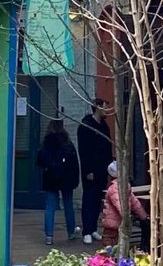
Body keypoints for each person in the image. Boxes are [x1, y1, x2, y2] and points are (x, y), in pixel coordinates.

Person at [35, 118, 81, 246]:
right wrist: (75, 179)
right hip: (66, 179)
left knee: (50, 207)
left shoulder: (46, 143)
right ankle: (71, 232)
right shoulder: (67, 143)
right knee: (68, 205)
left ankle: (49, 236)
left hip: (50, 178)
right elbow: (74, 163)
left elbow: (39, 161)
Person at [76, 101, 114, 244]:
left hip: (102, 169)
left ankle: (93, 229)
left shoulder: (104, 126)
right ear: (97, 108)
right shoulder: (86, 126)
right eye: (104, 106)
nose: (106, 110)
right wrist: (88, 170)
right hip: (91, 170)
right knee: (89, 199)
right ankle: (86, 230)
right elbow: (84, 151)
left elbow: (107, 147)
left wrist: (110, 166)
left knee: (98, 199)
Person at [101, 161, 148, 248]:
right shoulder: (126, 186)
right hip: (123, 222)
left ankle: (109, 253)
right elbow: (135, 203)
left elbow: (119, 203)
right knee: (120, 240)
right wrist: (143, 215)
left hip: (112, 222)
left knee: (108, 239)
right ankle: (117, 253)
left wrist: (125, 214)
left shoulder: (113, 188)